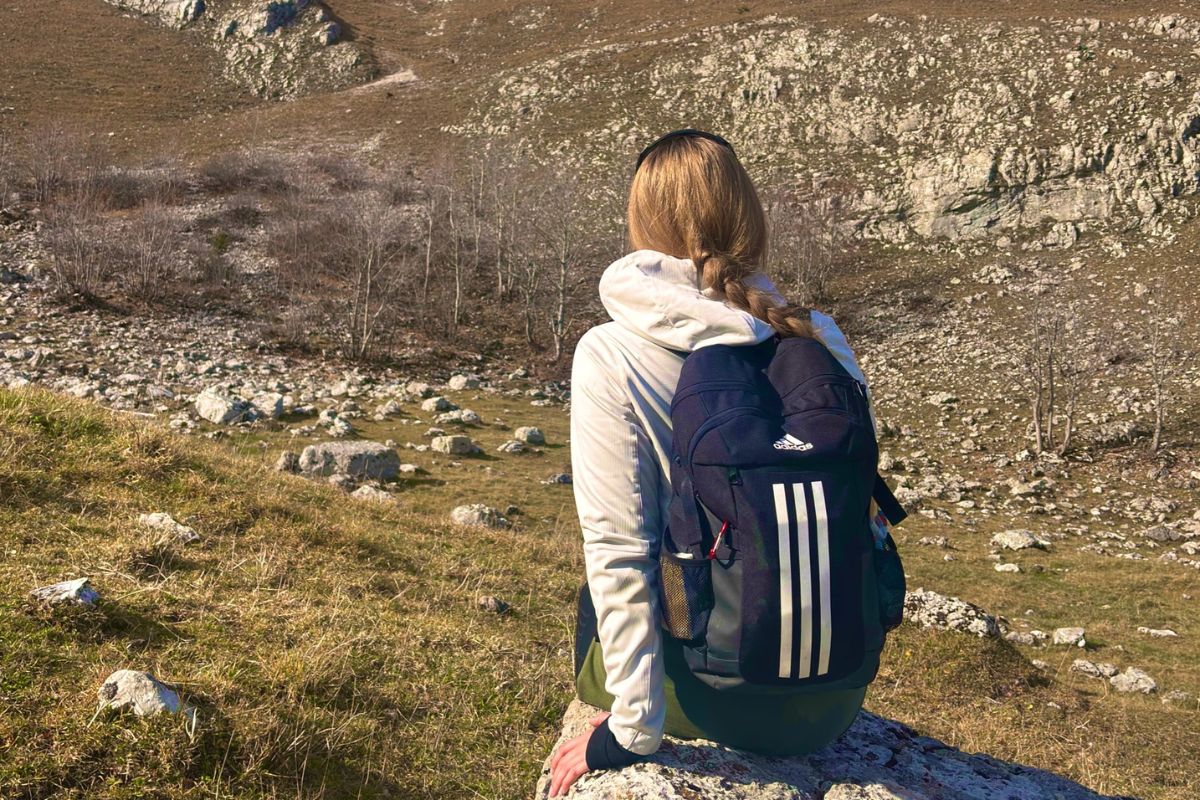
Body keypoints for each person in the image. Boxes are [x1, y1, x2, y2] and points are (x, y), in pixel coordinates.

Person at [548, 130, 876, 797]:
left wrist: (629, 732)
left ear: (643, 223)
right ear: (748, 216)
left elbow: (618, 546)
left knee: (598, 594)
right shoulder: (817, 336)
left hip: (708, 701)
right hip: (829, 706)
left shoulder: (611, 351)